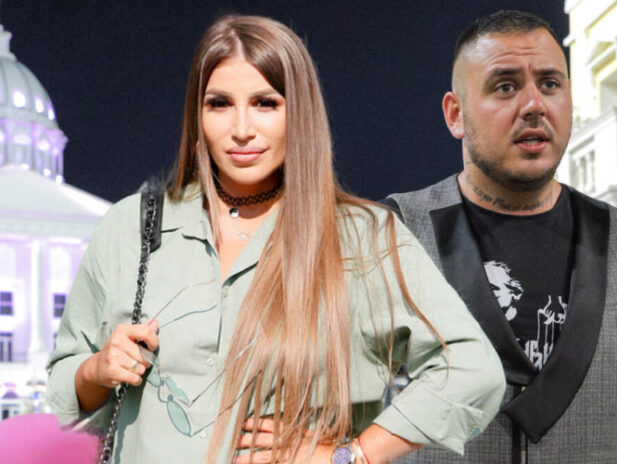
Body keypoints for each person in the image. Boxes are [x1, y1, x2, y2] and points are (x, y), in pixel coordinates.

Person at [46, 15, 505, 464]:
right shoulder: (131, 227)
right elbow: (61, 391)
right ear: (197, 114)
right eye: (219, 104)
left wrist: (352, 455)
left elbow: (471, 368)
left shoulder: (362, 237)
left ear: (298, 112)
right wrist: (95, 370)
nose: (242, 129)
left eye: (265, 103)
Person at [383, 10, 617, 464]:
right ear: (456, 114)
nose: (534, 104)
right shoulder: (391, 235)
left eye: (550, 84)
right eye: (505, 87)